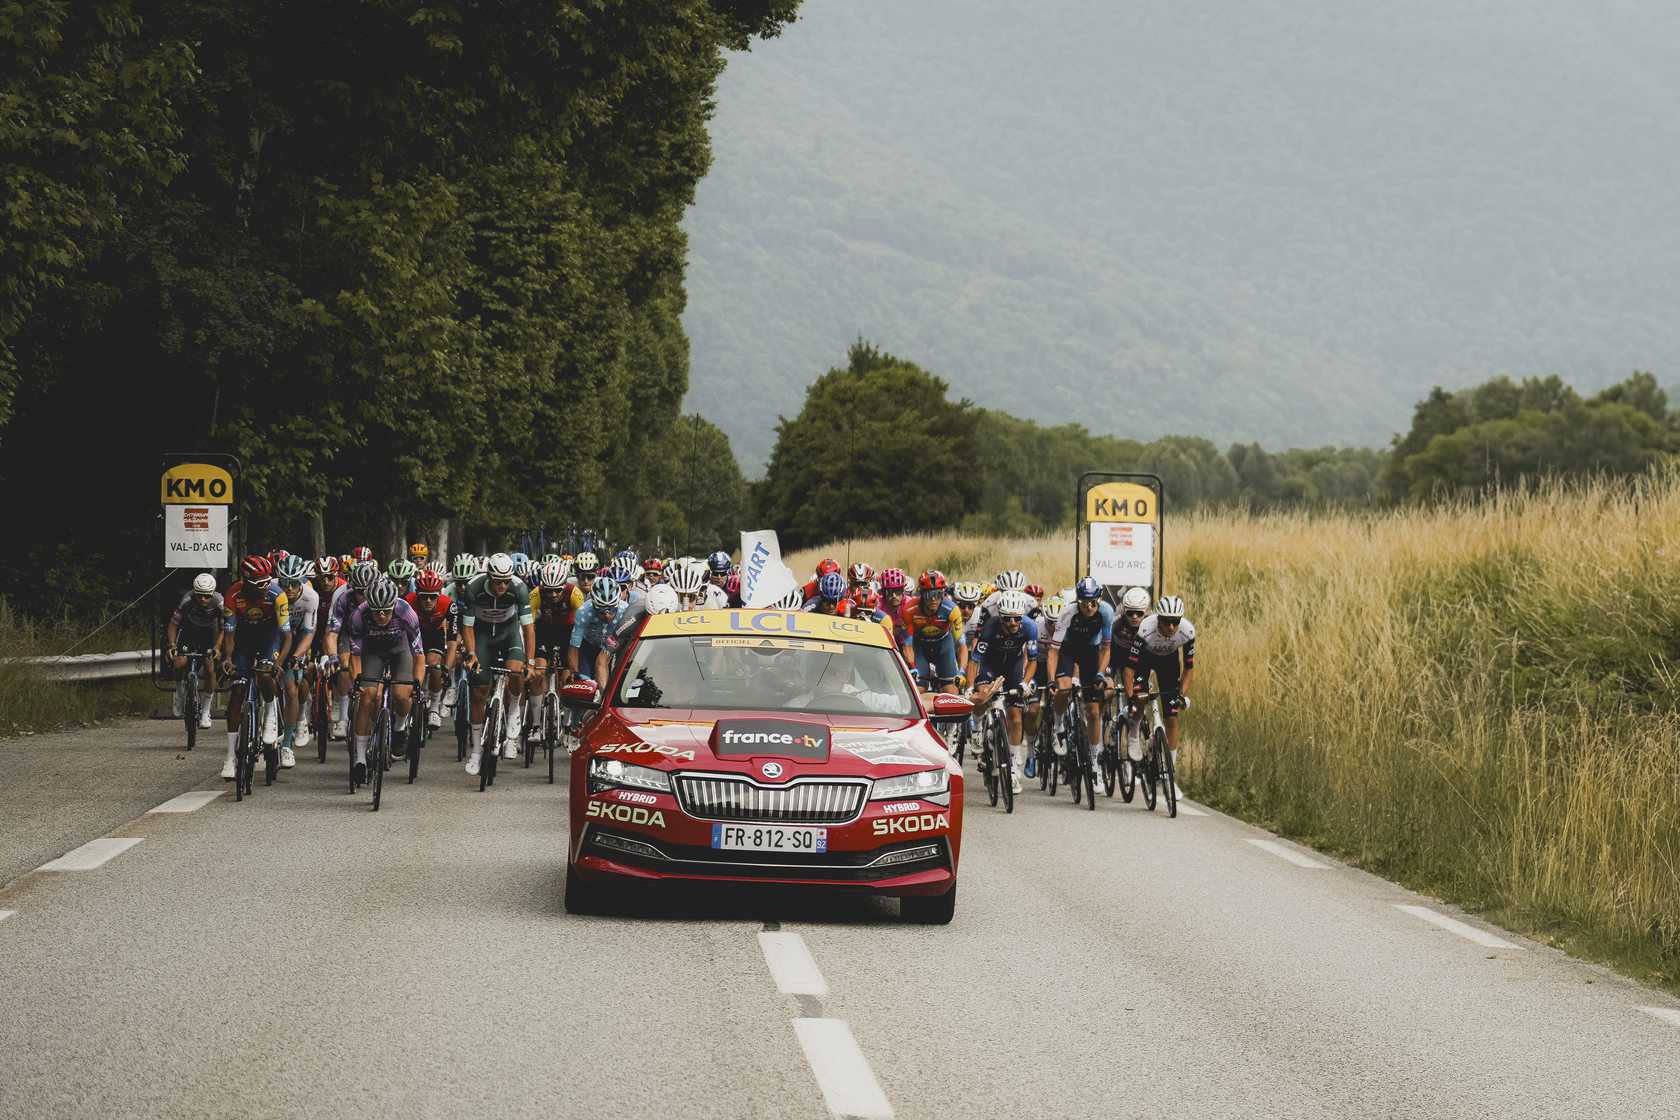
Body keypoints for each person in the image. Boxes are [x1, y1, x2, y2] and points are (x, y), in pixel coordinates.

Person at [459, 552, 536, 775]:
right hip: (482, 635)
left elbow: (528, 628)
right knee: (478, 692)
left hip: (508, 634)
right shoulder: (474, 588)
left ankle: (513, 710)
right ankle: (476, 751)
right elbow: (467, 627)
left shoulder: (519, 588)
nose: (502, 586)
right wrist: (471, 653)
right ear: (489, 577)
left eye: (506, 581)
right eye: (498, 581)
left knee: (516, 671)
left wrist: (530, 662)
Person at [219, 555, 292, 780]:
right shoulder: (233, 595)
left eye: (268, 581)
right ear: (247, 581)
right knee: (237, 692)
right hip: (244, 640)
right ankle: (230, 756)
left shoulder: (277, 595)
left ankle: (270, 713)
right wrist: (228, 658)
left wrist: (278, 663)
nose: (265, 587)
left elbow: (287, 636)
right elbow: (229, 635)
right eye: (260, 583)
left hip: (270, 638)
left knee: (265, 673)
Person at [346, 577, 422, 776]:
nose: (381, 616)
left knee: (402, 695)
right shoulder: (359, 615)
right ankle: (360, 759)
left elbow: (418, 655)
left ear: (393, 606)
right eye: (377, 612)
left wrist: (418, 684)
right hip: (372, 651)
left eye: (386, 611)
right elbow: (355, 655)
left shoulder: (406, 611)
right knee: (367, 697)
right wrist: (357, 680)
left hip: (400, 650)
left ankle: (399, 727)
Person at [966, 590, 1039, 793]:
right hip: (990, 665)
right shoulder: (990, 628)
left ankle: (1013, 766)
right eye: (1007, 619)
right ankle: (977, 727)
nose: (1013, 623)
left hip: (1013, 667)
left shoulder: (1030, 627)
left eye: (1017, 618)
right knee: (982, 695)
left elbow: (1033, 661)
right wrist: (970, 687)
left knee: (1015, 716)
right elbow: (975, 660)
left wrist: (1025, 683)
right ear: (1000, 617)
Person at [1123, 595, 1196, 773]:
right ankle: (1134, 733)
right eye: (1166, 622)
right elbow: (1130, 668)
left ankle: (1169, 772)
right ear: (1158, 619)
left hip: (1168, 662)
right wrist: (1131, 697)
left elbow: (1189, 668)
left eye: (1175, 622)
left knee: (1172, 717)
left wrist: (1181, 694)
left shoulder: (1187, 631)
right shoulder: (1145, 629)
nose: (1171, 627)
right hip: (1144, 659)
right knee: (1140, 699)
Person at [1049, 576, 1114, 774]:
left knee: (1093, 711)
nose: (1088, 607)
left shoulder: (1106, 612)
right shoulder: (1068, 613)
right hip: (1068, 649)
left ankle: (1095, 760)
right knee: (1064, 688)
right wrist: (1051, 680)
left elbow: (1106, 648)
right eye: (1084, 602)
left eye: (1093, 602)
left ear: (1099, 599)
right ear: (1078, 600)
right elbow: (1054, 650)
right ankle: (1058, 724)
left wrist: (1100, 673)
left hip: (1090, 651)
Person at [165, 572, 223, 730]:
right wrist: (172, 645)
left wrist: (217, 647)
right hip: (189, 631)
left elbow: (225, 628)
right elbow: (173, 624)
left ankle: (206, 711)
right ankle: (179, 693)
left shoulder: (219, 602)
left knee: (210, 668)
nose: (203, 599)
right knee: (179, 662)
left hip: (209, 633)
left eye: (207, 596)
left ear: (212, 593)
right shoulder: (187, 599)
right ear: (194, 592)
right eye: (199, 595)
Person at [276, 555, 319, 766]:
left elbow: (309, 633)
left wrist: (296, 657)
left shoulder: (311, 597)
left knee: (294, 687)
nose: (290, 588)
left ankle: (288, 741)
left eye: (295, 583)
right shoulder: (273, 591)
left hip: (300, 636)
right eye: (285, 583)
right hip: (277, 635)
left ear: (302, 580)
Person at [405, 567, 458, 730]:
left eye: (433, 597)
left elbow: (452, 640)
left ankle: (434, 708)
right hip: (413, 634)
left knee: (435, 666)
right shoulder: (407, 602)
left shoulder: (448, 605)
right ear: (417, 594)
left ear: (439, 595)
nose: (428, 601)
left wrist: (447, 668)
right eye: (424, 597)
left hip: (434, 634)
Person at [900, 569, 965, 693]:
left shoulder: (952, 610)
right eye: (929, 595)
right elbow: (907, 644)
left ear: (944, 594)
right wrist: (912, 667)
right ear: (922, 594)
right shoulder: (909, 609)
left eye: (938, 594)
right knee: (918, 689)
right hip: (920, 647)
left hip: (944, 647)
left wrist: (961, 672)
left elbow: (962, 645)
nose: (934, 599)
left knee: (951, 691)